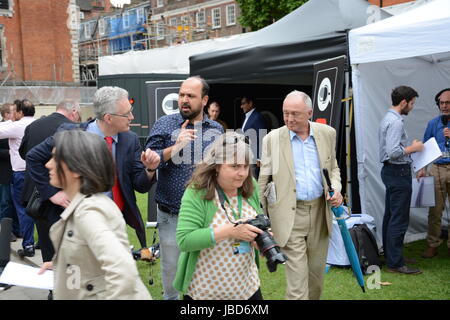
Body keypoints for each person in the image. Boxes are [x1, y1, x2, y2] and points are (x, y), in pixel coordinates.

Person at [26, 87, 159, 250]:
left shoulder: (130, 140)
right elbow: (33, 157)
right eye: (127, 114)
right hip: (75, 220)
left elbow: (140, 185)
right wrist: (52, 193)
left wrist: (150, 170)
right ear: (108, 118)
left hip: (114, 220)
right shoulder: (71, 133)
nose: (132, 117)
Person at [38, 130, 151, 300]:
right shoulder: (83, 206)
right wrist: (61, 264)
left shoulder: (88, 213)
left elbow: (123, 271)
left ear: (76, 169)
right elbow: (88, 257)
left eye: (55, 158)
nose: (48, 164)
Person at [258, 90, 343, 300]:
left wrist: (337, 189)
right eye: (286, 113)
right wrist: (261, 223)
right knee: (297, 287)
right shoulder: (272, 139)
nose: (289, 118)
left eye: (295, 113)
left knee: (315, 283)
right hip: (288, 217)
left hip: (320, 214)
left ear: (309, 113)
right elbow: (263, 180)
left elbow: (333, 168)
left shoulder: (327, 133)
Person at [145, 76, 223, 300]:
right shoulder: (164, 124)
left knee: (205, 268)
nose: (184, 100)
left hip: (206, 212)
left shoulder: (216, 129)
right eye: (181, 95)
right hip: (172, 213)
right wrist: (177, 146)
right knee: (172, 271)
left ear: (205, 100)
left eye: (191, 96)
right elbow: (151, 159)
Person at [174, 131, 264, 300]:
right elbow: (184, 240)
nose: (242, 173)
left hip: (247, 289)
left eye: (245, 167)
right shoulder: (197, 192)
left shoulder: (250, 185)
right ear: (216, 166)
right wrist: (231, 231)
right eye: (234, 166)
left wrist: (261, 237)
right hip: (206, 291)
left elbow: (257, 218)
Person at [19, 99, 81, 265]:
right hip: (62, 192)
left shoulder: (33, 126)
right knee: (66, 242)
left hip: (37, 192)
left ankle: (51, 285)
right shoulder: (72, 129)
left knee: (46, 240)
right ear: (73, 112)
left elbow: (24, 153)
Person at [378, 85, 424, 274]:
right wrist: (413, 148)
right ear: (404, 102)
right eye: (412, 103)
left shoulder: (387, 118)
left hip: (392, 172)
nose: (412, 107)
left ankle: (392, 256)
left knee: (391, 216)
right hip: (398, 173)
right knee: (398, 218)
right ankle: (396, 264)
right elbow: (393, 152)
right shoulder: (396, 122)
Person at [0, 99, 36, 257]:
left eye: (15, 111)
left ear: (20, 113)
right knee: (42, 209)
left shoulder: (16, 126)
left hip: (21, 173)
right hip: (39, 172)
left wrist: (9, 121)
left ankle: (28, 244)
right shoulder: (37, 123)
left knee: (23, 209)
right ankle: (41, 241)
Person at [417, 88, 450, 258]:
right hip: (437, 168)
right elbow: (425, 147)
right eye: (442, 103)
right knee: (435, 210)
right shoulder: (433, 124)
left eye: (448, 103)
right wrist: (422, 168)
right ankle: (433, 244)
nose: (444, 106)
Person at [0, 103, 20, 241]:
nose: (16, 113)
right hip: (4, 172)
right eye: (13, 111)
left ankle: (18, 230)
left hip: (16, 170)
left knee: (17, 202)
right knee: (5, 202)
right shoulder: (2, 128)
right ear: (6, 114)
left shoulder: (17, 127)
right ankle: (7, 231)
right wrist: (11, 153)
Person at [240, 96, 267, 177]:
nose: (241, 106)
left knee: (254, 181)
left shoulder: (257, 117)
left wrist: (259, 158)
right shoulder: (247, 117)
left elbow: (262, 137)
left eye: (243, 104)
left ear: (250, 103)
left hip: (254, 158)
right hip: (247, 156)